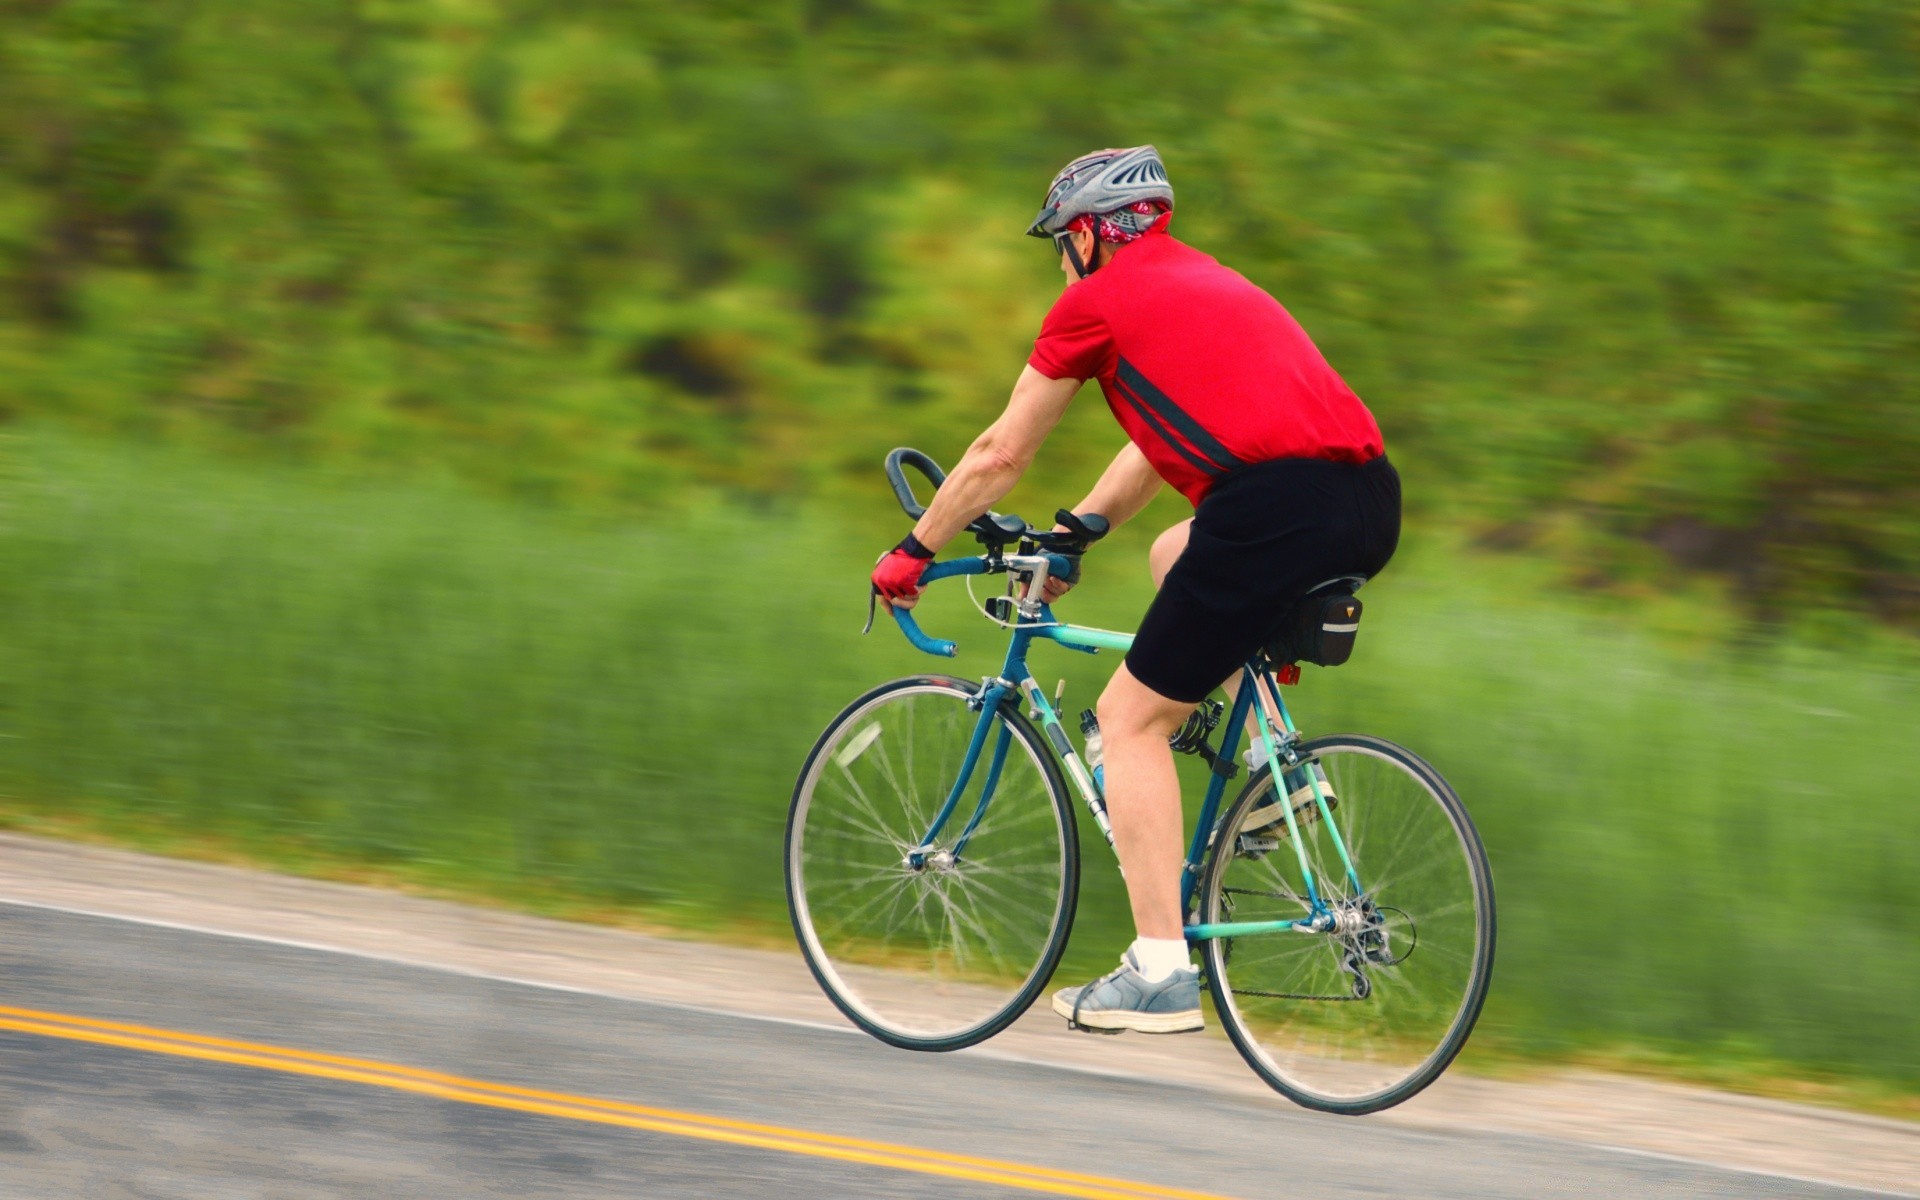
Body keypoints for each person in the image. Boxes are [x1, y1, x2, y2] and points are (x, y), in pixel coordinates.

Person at [869, 146, 1400, 1034]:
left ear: (1087, 234)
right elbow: (1169, 435)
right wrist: (1080, 526)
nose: (1060, 261)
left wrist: (915, 547)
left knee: (1128, 721)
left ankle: (1159, 968)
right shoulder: (1208, 282)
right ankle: (1276, 773)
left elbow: (1001, 452)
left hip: (1271, 509)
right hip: (1368, 500)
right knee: (1175, 555)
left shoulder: (1095, 304)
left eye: (1059, 242)